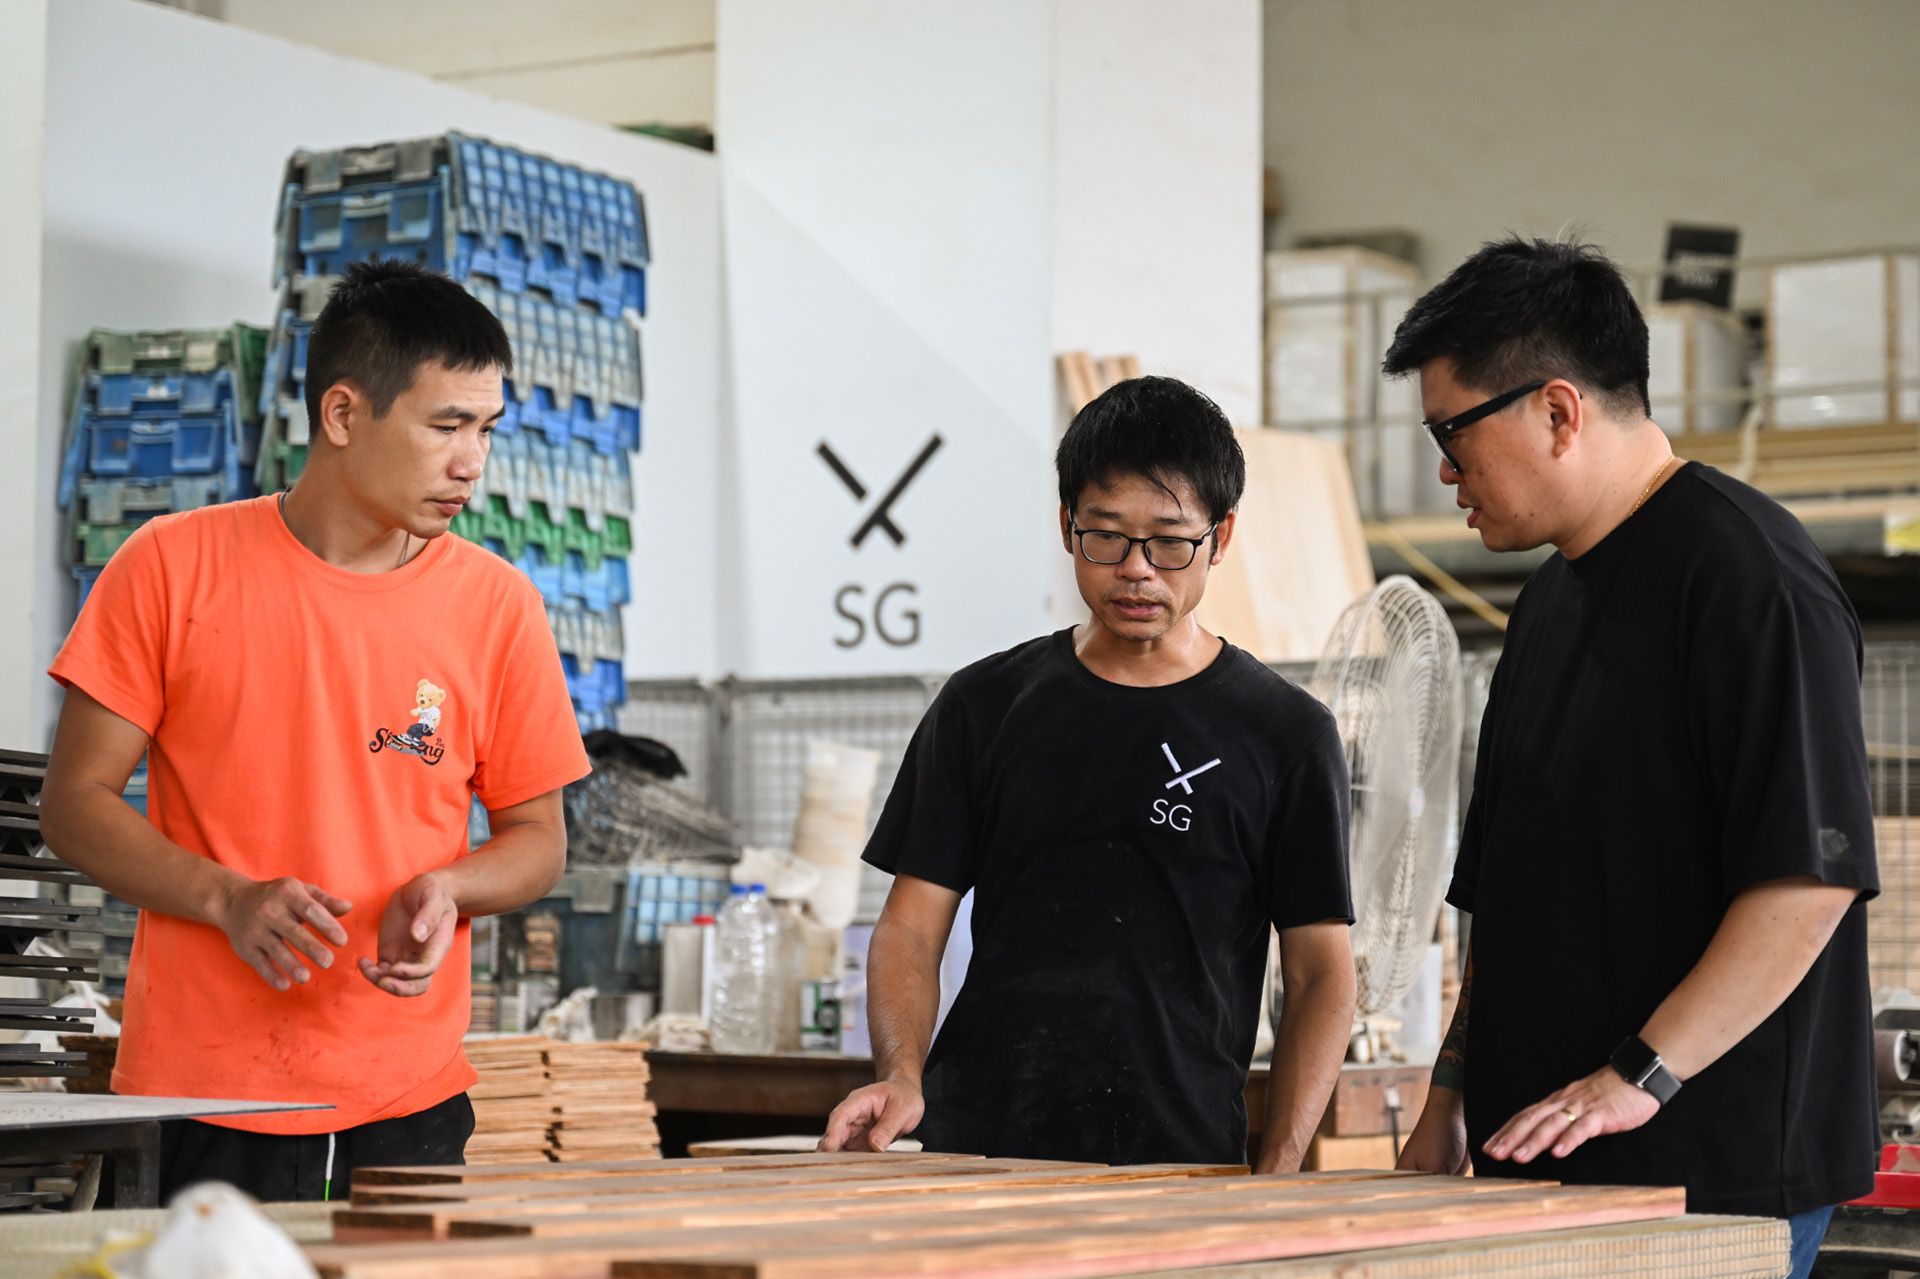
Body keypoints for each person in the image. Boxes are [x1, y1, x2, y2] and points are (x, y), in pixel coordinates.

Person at [40, 259, 591, 1203]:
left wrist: (450, 885)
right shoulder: (169, 567)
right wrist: (225, 898)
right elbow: (73, 804)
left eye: (486, 429)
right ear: (342, 415)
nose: (472, 461)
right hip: (200, 1097)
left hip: (409, 1107)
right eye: (445, 425)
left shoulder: (499, 607)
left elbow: (539, 841)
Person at [1385, 238, 1878, 1278]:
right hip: (1557, 1173)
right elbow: (1501, 894)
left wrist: (1638, 1076)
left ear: (1558, 410)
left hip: (1709, 1180)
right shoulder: (1549, 603)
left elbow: (1808, 880)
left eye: (1452, 431)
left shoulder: (1752, 582)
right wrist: (1447, 1099)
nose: (1444, 468)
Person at [820, 376, 1357, 1170]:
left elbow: (1320, 972)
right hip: (979, 1151)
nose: (1137, 570)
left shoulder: (1285, 733)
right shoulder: (985, 704)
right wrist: (901, 1074)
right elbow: (910, 925)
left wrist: (1278, 1164)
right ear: (1066, 524)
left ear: (1223, 533)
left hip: (1180, 1160)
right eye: (1106, 536)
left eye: (1171, 541)